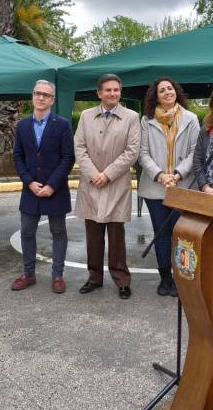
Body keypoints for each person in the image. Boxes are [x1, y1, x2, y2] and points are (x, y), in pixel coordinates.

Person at [74, 74, 140, 300]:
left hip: (116, 185)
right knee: (93, 236)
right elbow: (79, 148)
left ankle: (121, 279)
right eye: (108, 90)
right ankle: (94, 278)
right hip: (91, 185)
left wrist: (108, 174)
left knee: (117, 237)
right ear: (99, 93)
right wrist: (93, 174)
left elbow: (132, 151)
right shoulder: (85, 116)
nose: (113, 93)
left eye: (116, 90)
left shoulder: (132, 117)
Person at [11, 80, 75, 294]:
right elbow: (18, 156)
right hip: (30, 190)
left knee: (58, 232)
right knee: (27, 232)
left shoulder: (63, 124)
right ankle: (28, 274)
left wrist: (51, 185)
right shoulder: (22, 126)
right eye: (38, 93)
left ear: (52, 100)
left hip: (55, 189)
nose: (41, 97)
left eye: (46, 95)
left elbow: (68, 158)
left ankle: (57, 275)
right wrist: (29, 182)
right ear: (32, 96)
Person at [138, 77, 199, 297]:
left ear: (176, 91)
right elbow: (142, 153)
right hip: (156, 188)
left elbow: (195, 152)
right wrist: (160, 176)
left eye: (170, 88)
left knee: (181, 236)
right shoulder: (146, 120)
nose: (167, 92)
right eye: (162, 90)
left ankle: (182, 278)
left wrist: (177, 174)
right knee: (161, 234)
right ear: (156, 96)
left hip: (182, 186)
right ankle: (165, 279)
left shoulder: (191, 119)